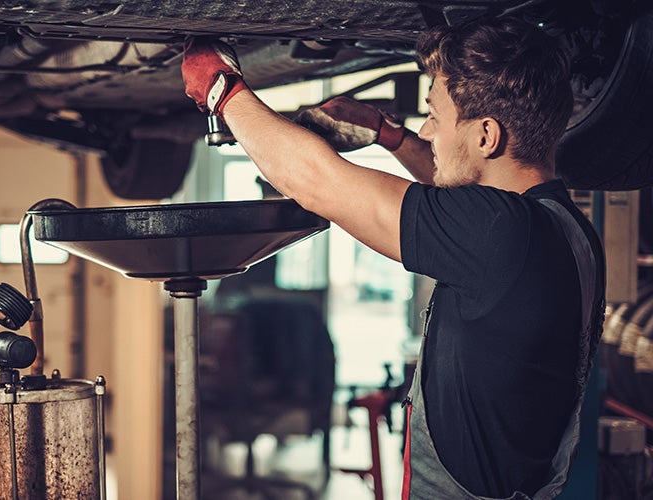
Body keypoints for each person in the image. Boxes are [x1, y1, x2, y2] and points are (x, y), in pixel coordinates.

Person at [181, 15, 606, 500]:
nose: (428, 129)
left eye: (436, 118)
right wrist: (390, 135)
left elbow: (316, 181)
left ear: (487, 136)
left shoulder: (498, 233)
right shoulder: (561, 226)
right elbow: (459, 189)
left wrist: (223, 91)